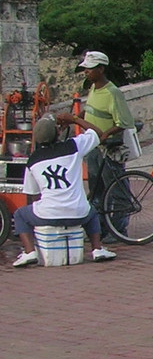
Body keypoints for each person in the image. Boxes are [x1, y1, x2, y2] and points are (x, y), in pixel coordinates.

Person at [10, 112, 118, 267]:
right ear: (58, 132)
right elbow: (98, 133)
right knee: (92, 211)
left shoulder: (33, 160)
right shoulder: (73, 146)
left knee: (20, 214)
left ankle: (29, 252)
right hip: (79, 213)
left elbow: (33, 195)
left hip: (47, 214)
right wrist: (74, 119)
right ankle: (97, 249)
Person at [77, 50, 136, 238]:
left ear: (101, 69)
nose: (86, 72)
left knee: (116, 190)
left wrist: (106, 135)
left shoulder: (113, 92)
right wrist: (74, 119)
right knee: (96, 190)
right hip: (93, 148)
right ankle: (99, 228)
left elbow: (124, 122)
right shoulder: (93, 89)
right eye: (85, 69)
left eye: (90, 69)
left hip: (109, 149)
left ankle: (118, 229)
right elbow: (89, 111)